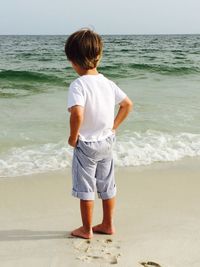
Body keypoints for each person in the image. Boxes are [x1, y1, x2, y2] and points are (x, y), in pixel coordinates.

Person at [65, 28, 133, 239]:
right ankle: (108, 224)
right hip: (107, 141)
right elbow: (127, 105)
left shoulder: (78, 85)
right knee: (106, 183)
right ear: (98, 56)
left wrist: (73, 136)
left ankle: (86, 229)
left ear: (74, 61)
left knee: (86, 187)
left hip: (86, 144)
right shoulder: (107, 83)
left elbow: (77, 113)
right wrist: (113, 127)